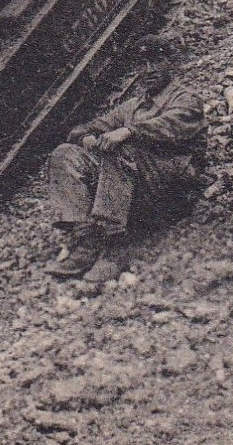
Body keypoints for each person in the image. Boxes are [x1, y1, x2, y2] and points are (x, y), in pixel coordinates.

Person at [44, 44, 207, 279]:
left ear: (170, 63)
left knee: (123, 149)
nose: (149, 70)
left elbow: (171, 126)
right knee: (65, 153)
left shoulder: (186, 99)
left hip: (172, 187)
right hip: (133, 184)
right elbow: (92, 126)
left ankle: (115, 244)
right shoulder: (133, 106)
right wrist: (86, 137)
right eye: (143, 64)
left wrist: (128, 132)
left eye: (156, 61)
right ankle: (87, 240)